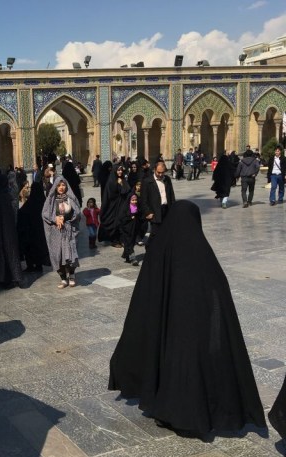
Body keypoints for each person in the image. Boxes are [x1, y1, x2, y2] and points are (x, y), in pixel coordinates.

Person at [108, 201, 266, 437]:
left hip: (165, 332)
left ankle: (167, 407)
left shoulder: (158, 250)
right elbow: (218, 295)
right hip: (196, 334)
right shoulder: (203, 254)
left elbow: (144, 299)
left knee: (172, 364)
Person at [42, 177, 80, 289]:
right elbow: (45, 213)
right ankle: (63, 278)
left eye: (63, 185)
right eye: (58, 185)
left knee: (70, 253)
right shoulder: (51, 199)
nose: (61, 187)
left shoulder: (70, 197)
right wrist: (55, 219)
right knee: (57, 254)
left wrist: (66, 217)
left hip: (69, 231)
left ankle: (72, 275)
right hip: (56, 232)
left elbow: (77, 212)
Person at [0, 173, 23, 289]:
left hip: (3, 230)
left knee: (5, 253)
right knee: (10, 252)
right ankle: (14, 277)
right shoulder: (6, 194)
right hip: (9, 229)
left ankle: (7, 278)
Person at [140, 160, 175, 249]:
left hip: (166, 209)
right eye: (158, 172)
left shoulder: (167, 179)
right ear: (154, 170)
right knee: (155, 233)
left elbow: (171, 195)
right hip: (154, 211)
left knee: (166, 232)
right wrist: (148, 212)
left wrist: (173, 209)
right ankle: (149, 249)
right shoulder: (147, 181)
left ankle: (162, 251)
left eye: (162, 172)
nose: (160, 174)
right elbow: (143, 199)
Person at [98, 165, 129, 247]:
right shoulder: (111, 181)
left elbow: (127, 191)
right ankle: (115, 241)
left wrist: (121, 184)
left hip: (122, 205)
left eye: (121, 170)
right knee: (115, 223)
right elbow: (111, 195)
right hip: (113, 207)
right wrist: (118, 185)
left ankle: (122, 240)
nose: (120, 172)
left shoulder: (123, 180)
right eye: (118, 170)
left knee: (122, 222)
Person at [120, 194, 141, 266]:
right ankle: (133, 259)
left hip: (134, 229)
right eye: (133, 200)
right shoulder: (125, 208)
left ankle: (127, 257)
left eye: (135, 200)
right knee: (129, 243)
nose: (134, 201)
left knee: (131, 243)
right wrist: (130, 218)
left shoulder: (137, 207)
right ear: (129, 200)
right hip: (126, 230)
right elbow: (121, 218)